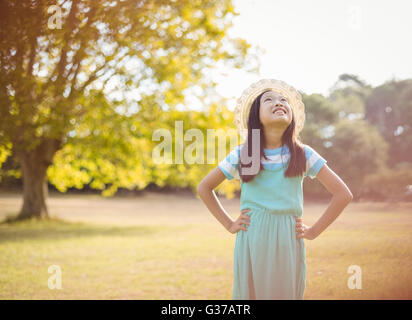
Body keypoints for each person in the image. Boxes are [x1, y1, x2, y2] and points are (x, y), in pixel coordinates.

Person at [197, 79, 353, 300]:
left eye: (284, 100)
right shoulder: (244, 154)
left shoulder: (303, 153)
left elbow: (343, 194)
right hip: (252, 236)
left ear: (292, 116)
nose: (279, 103)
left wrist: (314, 231)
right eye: (269, 100)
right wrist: (229, 224)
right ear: (256, 117)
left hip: (288, 237)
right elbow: (204, 187)